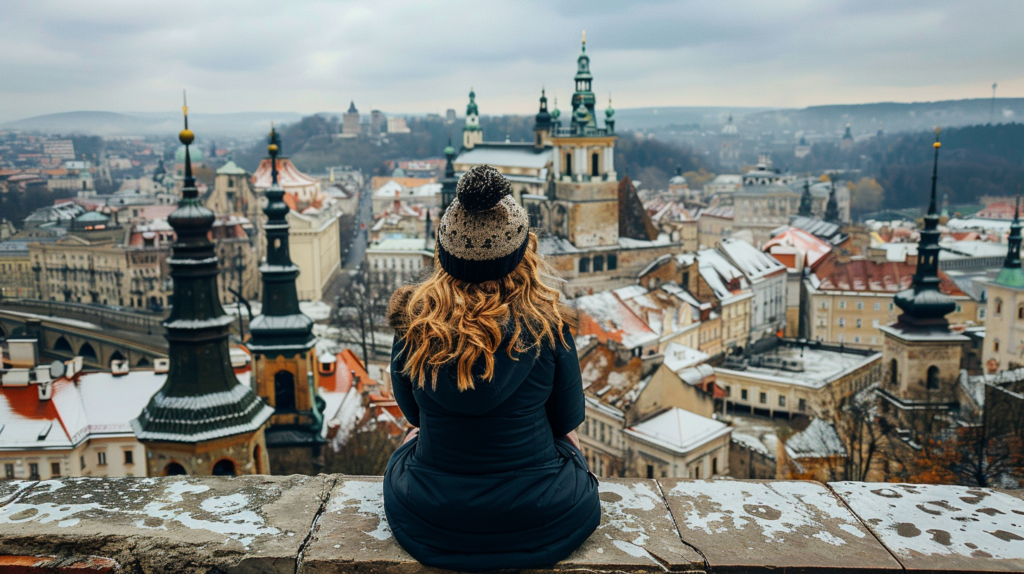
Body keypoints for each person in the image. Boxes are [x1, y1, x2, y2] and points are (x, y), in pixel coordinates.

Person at [383, 165, 600, 571]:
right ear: (521, 255)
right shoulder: (549, 325)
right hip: (542, 513)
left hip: (430, 515)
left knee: (406, 450)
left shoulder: (413, 324)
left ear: (445, 255)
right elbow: (568, 420)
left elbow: (413, 416)